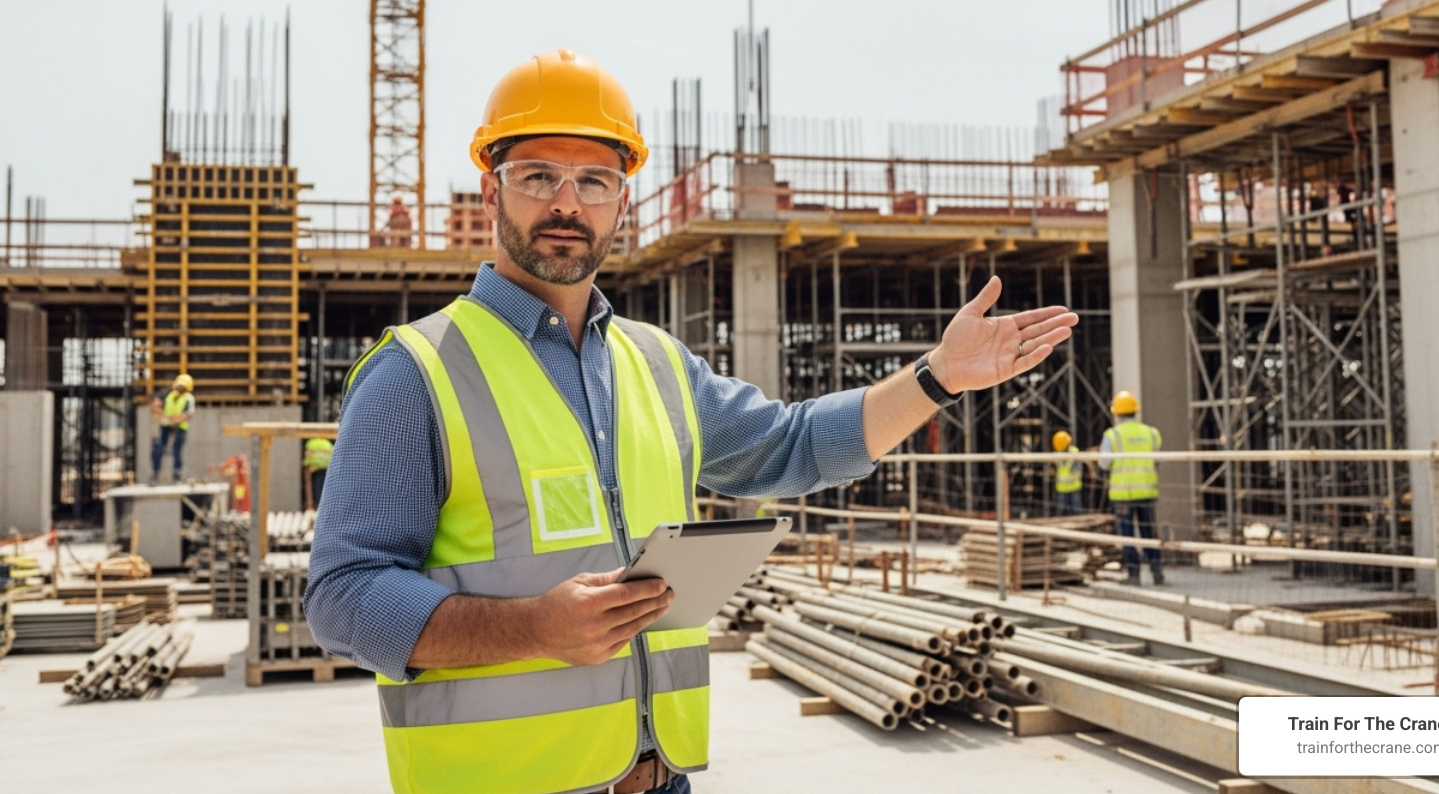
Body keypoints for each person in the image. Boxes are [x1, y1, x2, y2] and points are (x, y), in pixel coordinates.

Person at [304, 49, 1079, 794]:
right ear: (490, 191)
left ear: (622, 204)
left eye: (595, 180)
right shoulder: (418, 374)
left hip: (659, 778)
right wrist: (532, 629)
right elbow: (342, 599)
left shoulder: (659, 366)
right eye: (538, 175)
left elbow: (794, 446)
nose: (567, 203)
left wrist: (937, 378)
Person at [1099, 389, 1164, 586]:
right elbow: (1158, 460)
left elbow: (1104, 463)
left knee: (1128, 535)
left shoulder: (1112, 435)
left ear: (1116, 413)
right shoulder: (1151, 433)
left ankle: (1134, 575)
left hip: (1123, 494)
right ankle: (1157, 571)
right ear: (1136, 412)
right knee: (1148, 534)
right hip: (1147, 492)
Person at [149, 374, 196, 485]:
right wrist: (164, 416)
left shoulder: (189, 398)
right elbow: (156, 406)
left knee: (177, 450)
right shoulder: (167, 394)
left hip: (180, 427)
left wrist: (175, 419)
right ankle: (155, 475)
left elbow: (189, 414)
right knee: (158, 447)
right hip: (166, 426)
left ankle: (176, 476)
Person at [1051, 429, 1086, 516]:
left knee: (1076, 511)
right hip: (1062, 488)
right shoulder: (1057, 454)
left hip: (1074, 486)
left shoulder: (1074, 452)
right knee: (1061, 512)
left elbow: (1077, 468)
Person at [302, 438, 334, 509]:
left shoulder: (311, 444)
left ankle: (319, 504)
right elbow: (331, 456)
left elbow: (308, 457)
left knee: (317, 487)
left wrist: (306, 465)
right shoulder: (327, 443)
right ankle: (325, 505)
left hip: (315, 469)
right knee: (326, 487)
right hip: (327, 469)